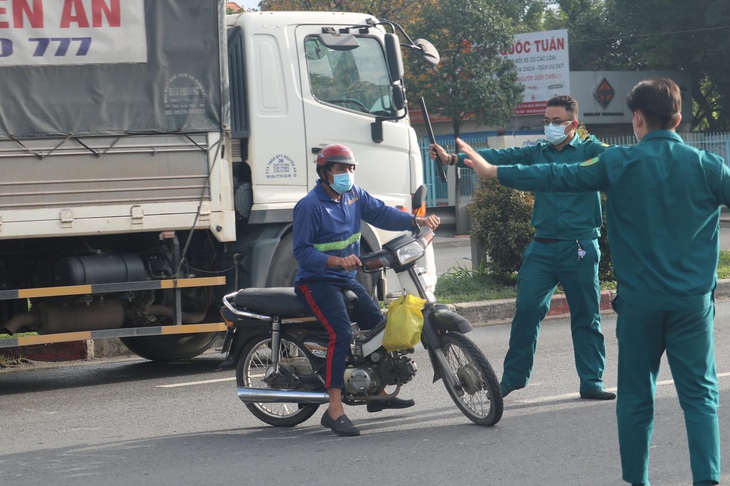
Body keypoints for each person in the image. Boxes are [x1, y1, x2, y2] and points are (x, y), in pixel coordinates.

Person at [457, 78, 722, 486]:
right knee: (701, 398)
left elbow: (554, 176)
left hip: (640, 306)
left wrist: (493, 172)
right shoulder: (707, 166)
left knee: (636, 398)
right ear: (679, 118)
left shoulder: (616, 163)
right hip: (692, 305)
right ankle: (706, 479)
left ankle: (637, 480)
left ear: (636, 118)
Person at [430, 95, 615, 400]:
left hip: (580, 245)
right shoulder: (537, 152)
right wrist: (451, 159)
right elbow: (497, 157)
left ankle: (591, 381)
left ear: (574, 124)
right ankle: (513, 377)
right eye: (546, 121)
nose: (550, 127)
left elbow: (616, 160)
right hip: (542, 247)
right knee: (527, 311)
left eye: (557, 121)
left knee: (586, 315)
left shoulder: (591, 151)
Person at [292, 143, 440, 437]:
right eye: (340, 169)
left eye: (350, 168)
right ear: (324, 172)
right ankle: (334, 411)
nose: (347, 174)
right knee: (342, 333)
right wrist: (334, 260)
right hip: (316, 280)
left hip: (346, 277)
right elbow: (302, 252)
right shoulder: (309, 206)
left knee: (380, 327)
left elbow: (382, 214)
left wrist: (416, 220)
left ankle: (377, 392)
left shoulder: (353, 195)